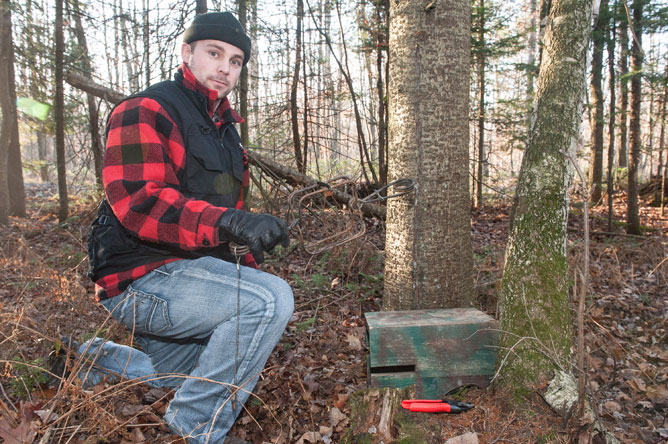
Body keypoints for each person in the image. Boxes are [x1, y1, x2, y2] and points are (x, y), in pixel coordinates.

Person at [83, 11, 293, 444]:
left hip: (188, 277)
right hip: (141, 278)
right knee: (270, 302)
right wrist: (232, 226)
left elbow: (225, 225)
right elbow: (139, 203)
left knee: (174, 379)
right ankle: (191, 431)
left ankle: (89, 359)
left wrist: (250, 255)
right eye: (214, 54)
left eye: (235, 61)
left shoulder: (228, 136)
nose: (225, 68)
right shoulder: (146, 109)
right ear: (187, 52)